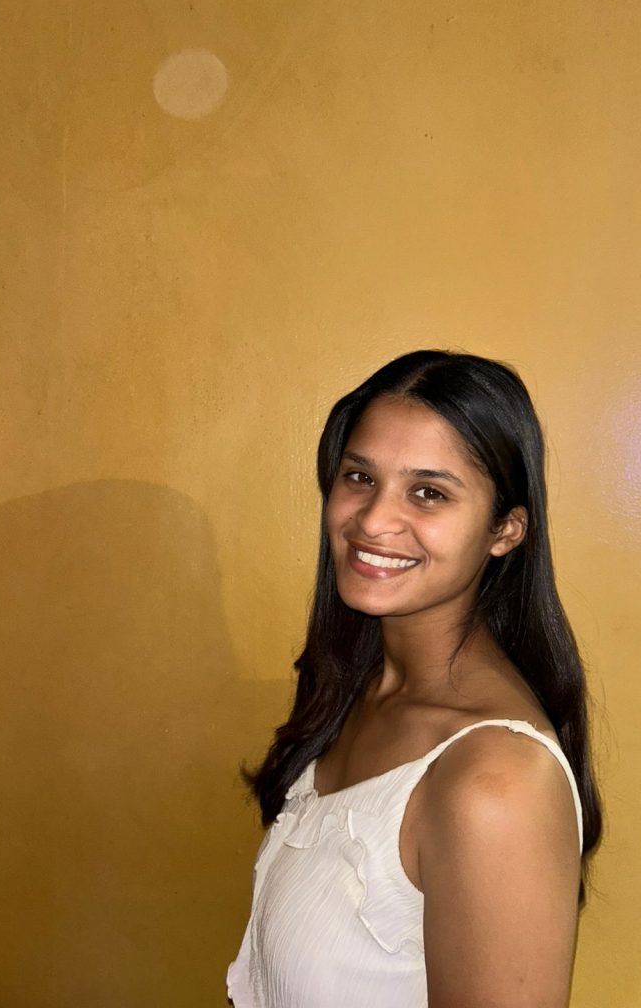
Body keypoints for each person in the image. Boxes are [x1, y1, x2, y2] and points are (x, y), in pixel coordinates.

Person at [227, 349, 601, 1008]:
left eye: (429, 492)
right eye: (359, 477)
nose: (372, 520)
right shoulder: (359, 690)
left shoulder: (496, 780)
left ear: (505, 530)